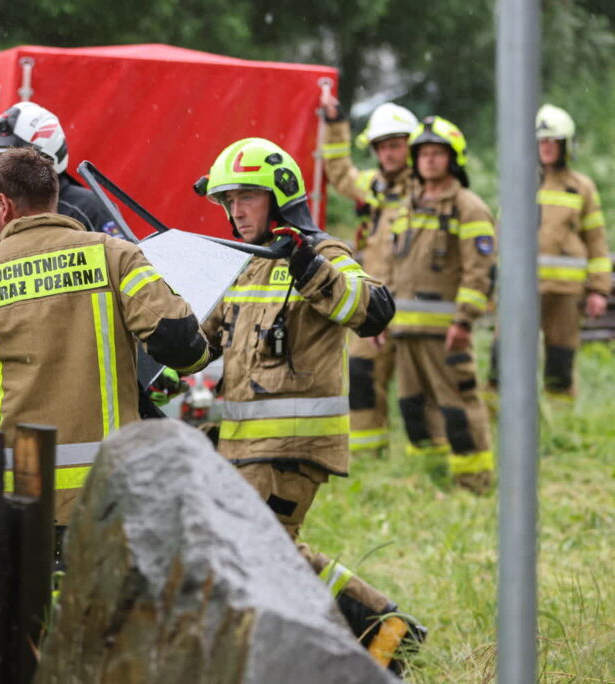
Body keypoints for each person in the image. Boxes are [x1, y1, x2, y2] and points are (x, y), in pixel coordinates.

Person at [197, 138, 422, 673]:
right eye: (228, 200)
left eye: (246, 197)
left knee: (259, 549)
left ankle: (375, 637)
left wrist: (306, 265)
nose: (235, 211)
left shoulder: (322, 253)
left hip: (293, 443)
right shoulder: (245, 266)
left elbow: (374, 309)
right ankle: (383, 633)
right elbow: (203, 343)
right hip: (241, 444)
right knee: (261, 552)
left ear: (279, 197)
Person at [0, 148, 211, 526]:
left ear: (3, 205)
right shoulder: (115, 257)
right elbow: (185, 347)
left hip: (23, 497)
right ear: (52, 198)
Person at [320, 94, 448, 458]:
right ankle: (367, 455)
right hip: (373, 302)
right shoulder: (375, 186)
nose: (389, 154)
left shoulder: (428, 189)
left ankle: (432, 457)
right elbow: (340, 174)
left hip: (414, 303)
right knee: (361, 374)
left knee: (418, 388)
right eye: (382, 147)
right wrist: (335, 125)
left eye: (396, 146)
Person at [389, 116, 496, 493]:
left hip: (446, 332)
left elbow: (480, 271)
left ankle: (474, 484)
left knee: (458, 408)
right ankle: (431, 480)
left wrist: (463, 321)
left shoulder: (469, 207)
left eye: (437, 153)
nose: (430, 160)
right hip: (405, 329)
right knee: (414, 409)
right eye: (424, 154)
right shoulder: (407, 206)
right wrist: (381, 318)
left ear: (453, 159)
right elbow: (393, 266)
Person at [488, 104, 611, 400]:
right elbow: (501, 235)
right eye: (541, 141)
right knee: (502, 356)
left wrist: (599, 290)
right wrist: (490, 282)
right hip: (520, 289)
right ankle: (497, 414)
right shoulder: (519, 183)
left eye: (553, 141)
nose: (546, 147)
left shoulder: (581, 188)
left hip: (565, 291)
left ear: (566, 145)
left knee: (560, 360)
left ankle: (561, 419)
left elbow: (596, 241)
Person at [0, 102, 123, 238]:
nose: (3, 171)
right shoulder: (2, 206)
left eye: (18, 162)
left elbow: (119, 252)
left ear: (48, 158)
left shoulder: (90, 208)